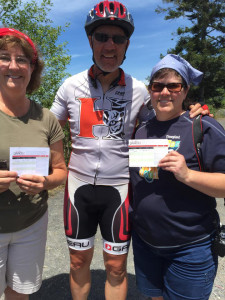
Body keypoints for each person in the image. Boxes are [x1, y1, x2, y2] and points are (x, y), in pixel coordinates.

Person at [50, 2, 208, 299]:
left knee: (116, 268)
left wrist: (192, 111)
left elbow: (165, 117)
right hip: (78, 187)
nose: (110, 45)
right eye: (102, 37)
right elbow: (50, 129)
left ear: (127, 45)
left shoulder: (139, 89)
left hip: (120, 189)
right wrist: (57, 165)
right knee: (78, 261)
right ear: (90, 41)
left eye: (118, 39)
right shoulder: (70, 86)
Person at [129, 54, 225, 300]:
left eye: (173, 86)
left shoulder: (202, 127)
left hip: (190, 248)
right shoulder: (143, 127)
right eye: (157, 86)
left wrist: (188, 175)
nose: (165, 93)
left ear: (185, 90)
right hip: (146, 242)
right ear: (150, 90)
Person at [0, 28, 67, 299]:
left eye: (22, 60)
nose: (14, 66)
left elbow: (61, 170)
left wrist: (46, 182)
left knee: (20, 293)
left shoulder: (46, 118)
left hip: (31, 224)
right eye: (4, 57)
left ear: (32, 69)